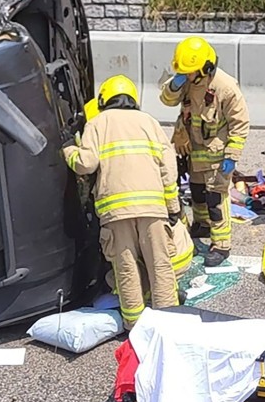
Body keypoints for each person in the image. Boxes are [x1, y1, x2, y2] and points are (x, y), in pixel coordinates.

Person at [63, 75, 180, 329]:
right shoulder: (149, 122)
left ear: (104, 100)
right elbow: (168, 168)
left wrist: (69, 149)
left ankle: (134, 326)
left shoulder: (97, 124)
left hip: (116, 212)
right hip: (152, 207)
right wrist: (172, 207)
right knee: (160, 265)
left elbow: (86, 164)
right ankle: (170, 326)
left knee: (126, 269)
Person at [160, 37, 250, 268]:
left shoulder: (225, 87)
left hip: (218, 154)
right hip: (195, 150)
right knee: (198, 192)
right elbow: (166, 100)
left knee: (215, 199)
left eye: (188, 73)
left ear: (205, 67)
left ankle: (221, 244)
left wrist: (231, 156)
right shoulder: (188, 79)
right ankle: (201, 225)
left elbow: (240, 124)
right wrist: (176, 84)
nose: (187, 75)